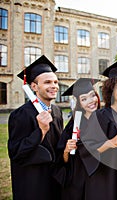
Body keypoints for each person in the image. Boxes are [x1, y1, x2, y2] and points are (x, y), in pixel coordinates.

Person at [8, 55, 63, 200]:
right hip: (33, 183)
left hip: (55, 179)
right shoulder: (21, 114)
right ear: (34, 86)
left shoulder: (57, 111)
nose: (54, 86)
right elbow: (16, 153)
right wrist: (41, 131)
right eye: (47, 82)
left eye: (56, 82)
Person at [82, 61, 117, 200]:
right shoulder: (99, 116)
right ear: (111, 90)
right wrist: (110, 142)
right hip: (105, 180)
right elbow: (85, 149)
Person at [56, 78, 101, 199]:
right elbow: (63, 160)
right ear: (79, 103)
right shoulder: (74, 124)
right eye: (84, 99)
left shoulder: (105, 119)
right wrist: (66, 150)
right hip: (79, 181)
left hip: (102, 179)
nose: (91, 101)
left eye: (92, 96)